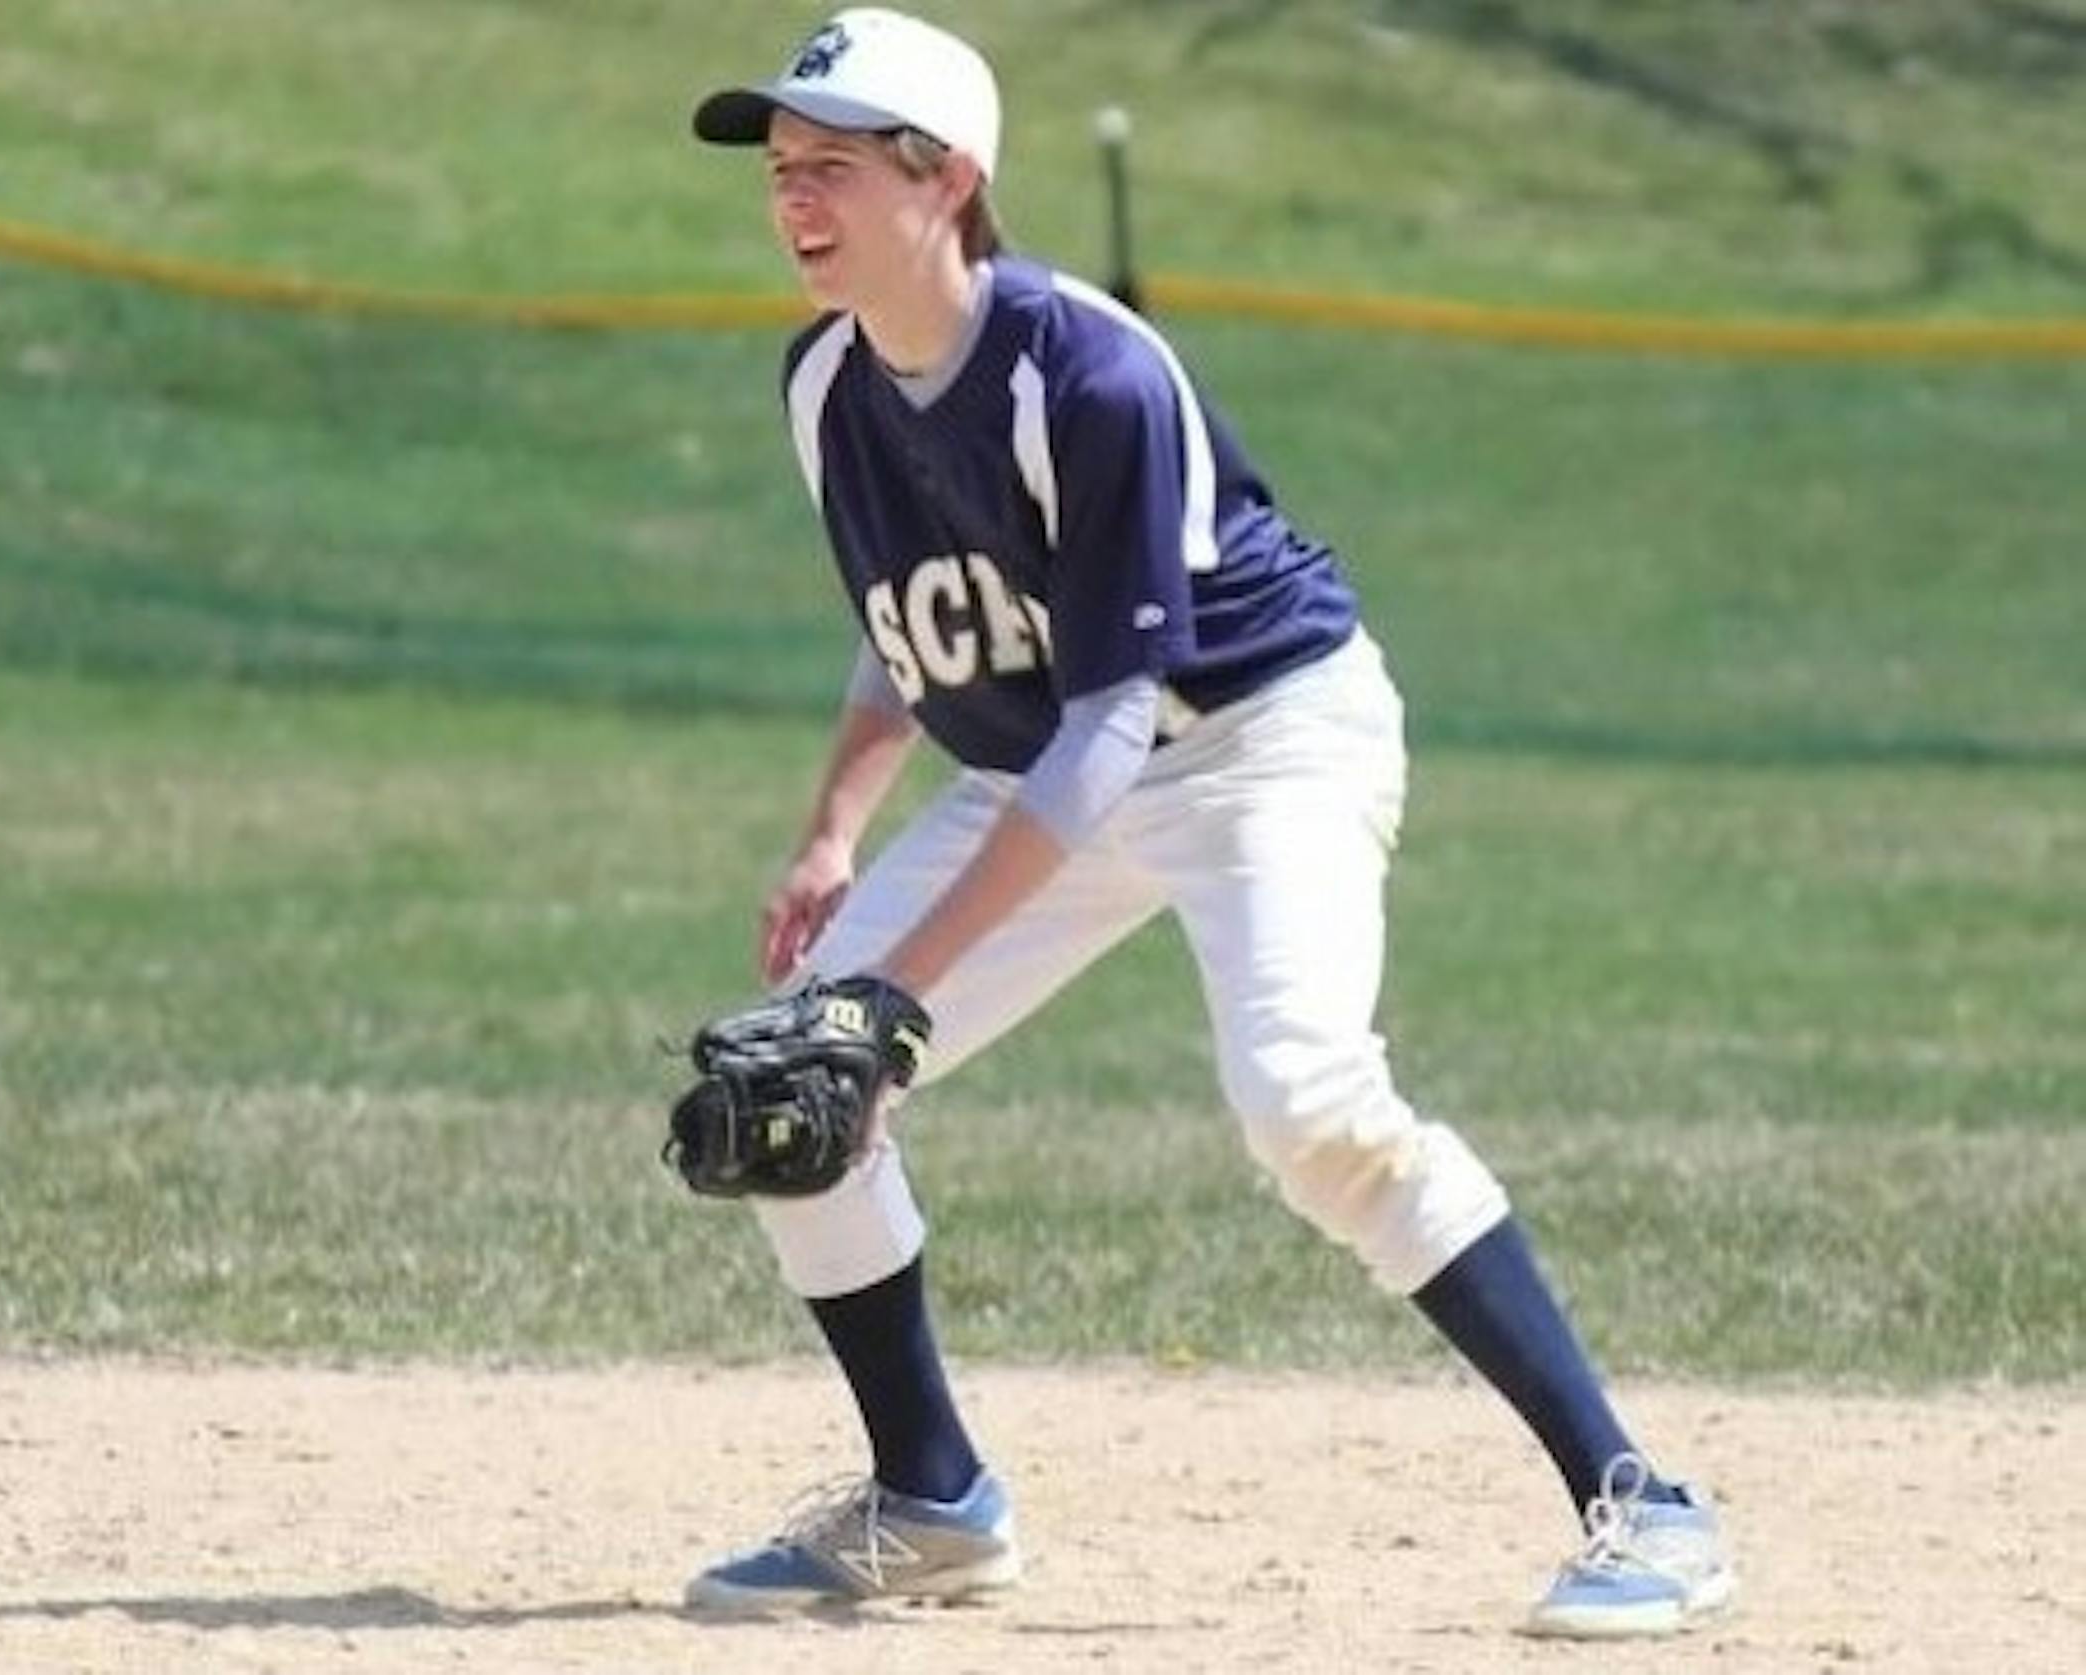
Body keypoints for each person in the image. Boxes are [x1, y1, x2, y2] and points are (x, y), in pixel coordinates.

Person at [680, 7, 1735, 1639]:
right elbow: (915, 624)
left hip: (1261, 740)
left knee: (1304, 1101)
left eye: (832, 165)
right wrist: (832, 839)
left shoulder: (1090, 370)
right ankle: (932, 1496)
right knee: (790, 1089)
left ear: (949, 178)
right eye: (779, 169)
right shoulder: (825, 383)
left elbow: (1119, 715)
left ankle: (1643, 1501)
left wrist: (896, 999)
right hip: (1048, 774)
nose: (793, 198)